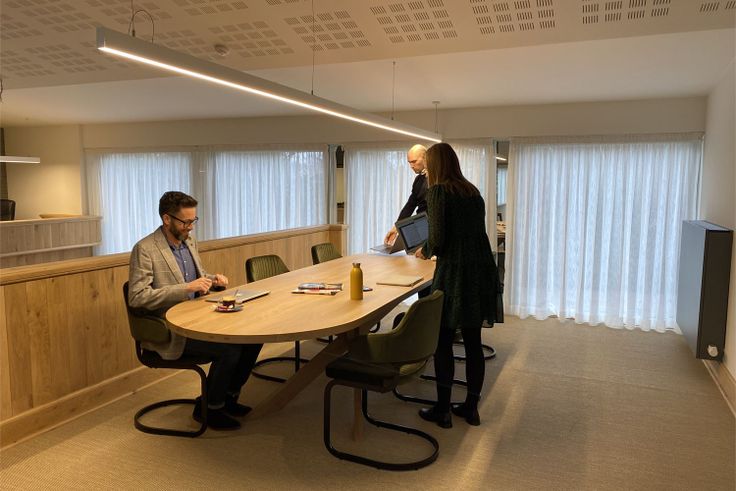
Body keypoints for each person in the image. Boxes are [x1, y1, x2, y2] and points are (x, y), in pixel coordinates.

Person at [128, 191, 262, 430]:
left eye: (193, 221)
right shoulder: (145, 249)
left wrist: (213, 280)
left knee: (252, 338)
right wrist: (185, 289)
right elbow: (137, 297)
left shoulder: (189, 242)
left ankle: (228, 397)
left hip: (200, 316)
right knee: (230, 349)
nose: (190, 227)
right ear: (167, 219)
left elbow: (195, 278)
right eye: (186, 222)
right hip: (171, 329)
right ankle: (210, 409)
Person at [414, 143, 500, 428]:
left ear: (436, 165)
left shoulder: (439, 192)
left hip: (455, 271)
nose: (426, 171)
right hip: (480, 268)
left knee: (443, 340)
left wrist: (425, 250)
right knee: (473, 341)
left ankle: (442, 410)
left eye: (428, 166)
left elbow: (438, 239)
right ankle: (471, 408)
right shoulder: (471, 191)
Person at [383, 144, 428, 246]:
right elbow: (410, 205)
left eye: (414, 161)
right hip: (421, 226)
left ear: (425, 158)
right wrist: (396, 228)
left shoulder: (438, 179)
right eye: (409, 162)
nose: (411, 166)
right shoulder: (419, 180)